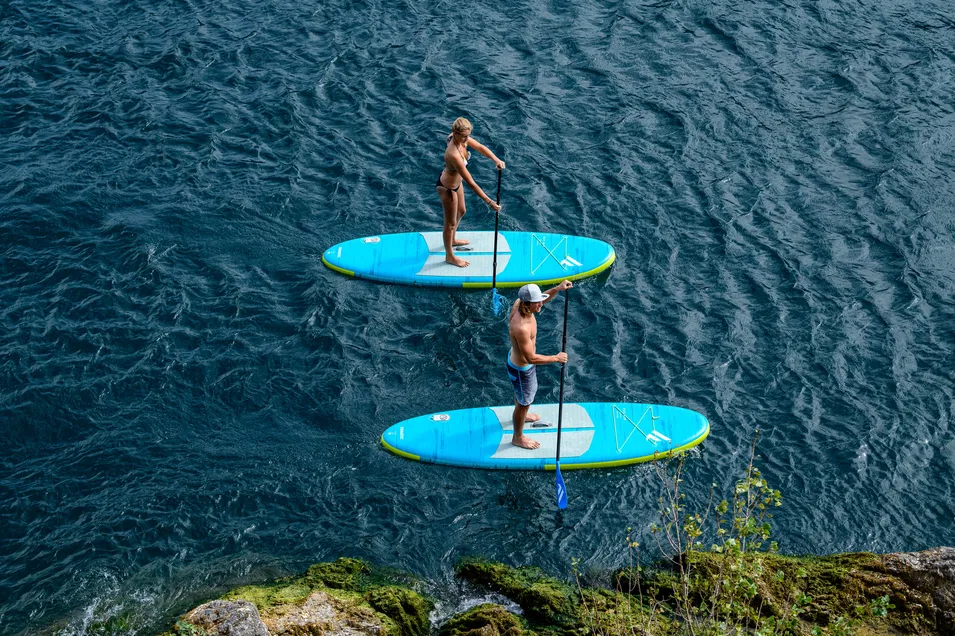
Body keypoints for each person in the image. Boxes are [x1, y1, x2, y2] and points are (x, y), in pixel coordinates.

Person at [506, 280, 572, 449]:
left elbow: (544, 298)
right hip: (522, 369)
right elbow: (531, 359)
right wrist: (555, 358)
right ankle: (517, 437)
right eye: (538, 302)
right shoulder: (521, 327)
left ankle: (522, 413)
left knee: (522, 398)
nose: (541, 304)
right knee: (524, 403)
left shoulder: (521, 303)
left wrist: (557, 289)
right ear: (528, 304)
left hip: (519, 365)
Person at [435, 117, 505, 268]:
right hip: (447, 188)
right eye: (464, 136)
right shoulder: (453, 154)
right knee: (450, 223)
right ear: (455, 133)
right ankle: (449, 256)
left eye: (468, 135)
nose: (467, 139)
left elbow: (480, 147)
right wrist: (490, 202)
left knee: (462, 211)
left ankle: (453, 240)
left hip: (456, 183)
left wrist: (496, 159)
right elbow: (471, 183)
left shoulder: (462, 139)